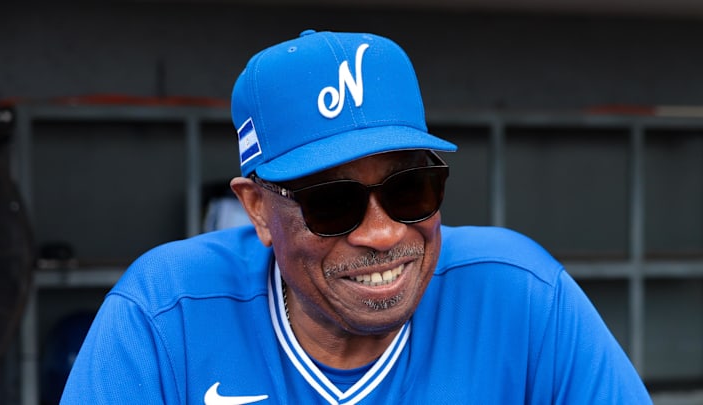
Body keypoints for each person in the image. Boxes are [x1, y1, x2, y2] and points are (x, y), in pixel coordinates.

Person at [61, 30, 652, 404]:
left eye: (410, 188)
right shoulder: (167, 313)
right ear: (259, 210)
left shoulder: (521, 293)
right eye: (333, 201)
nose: (382, 233)